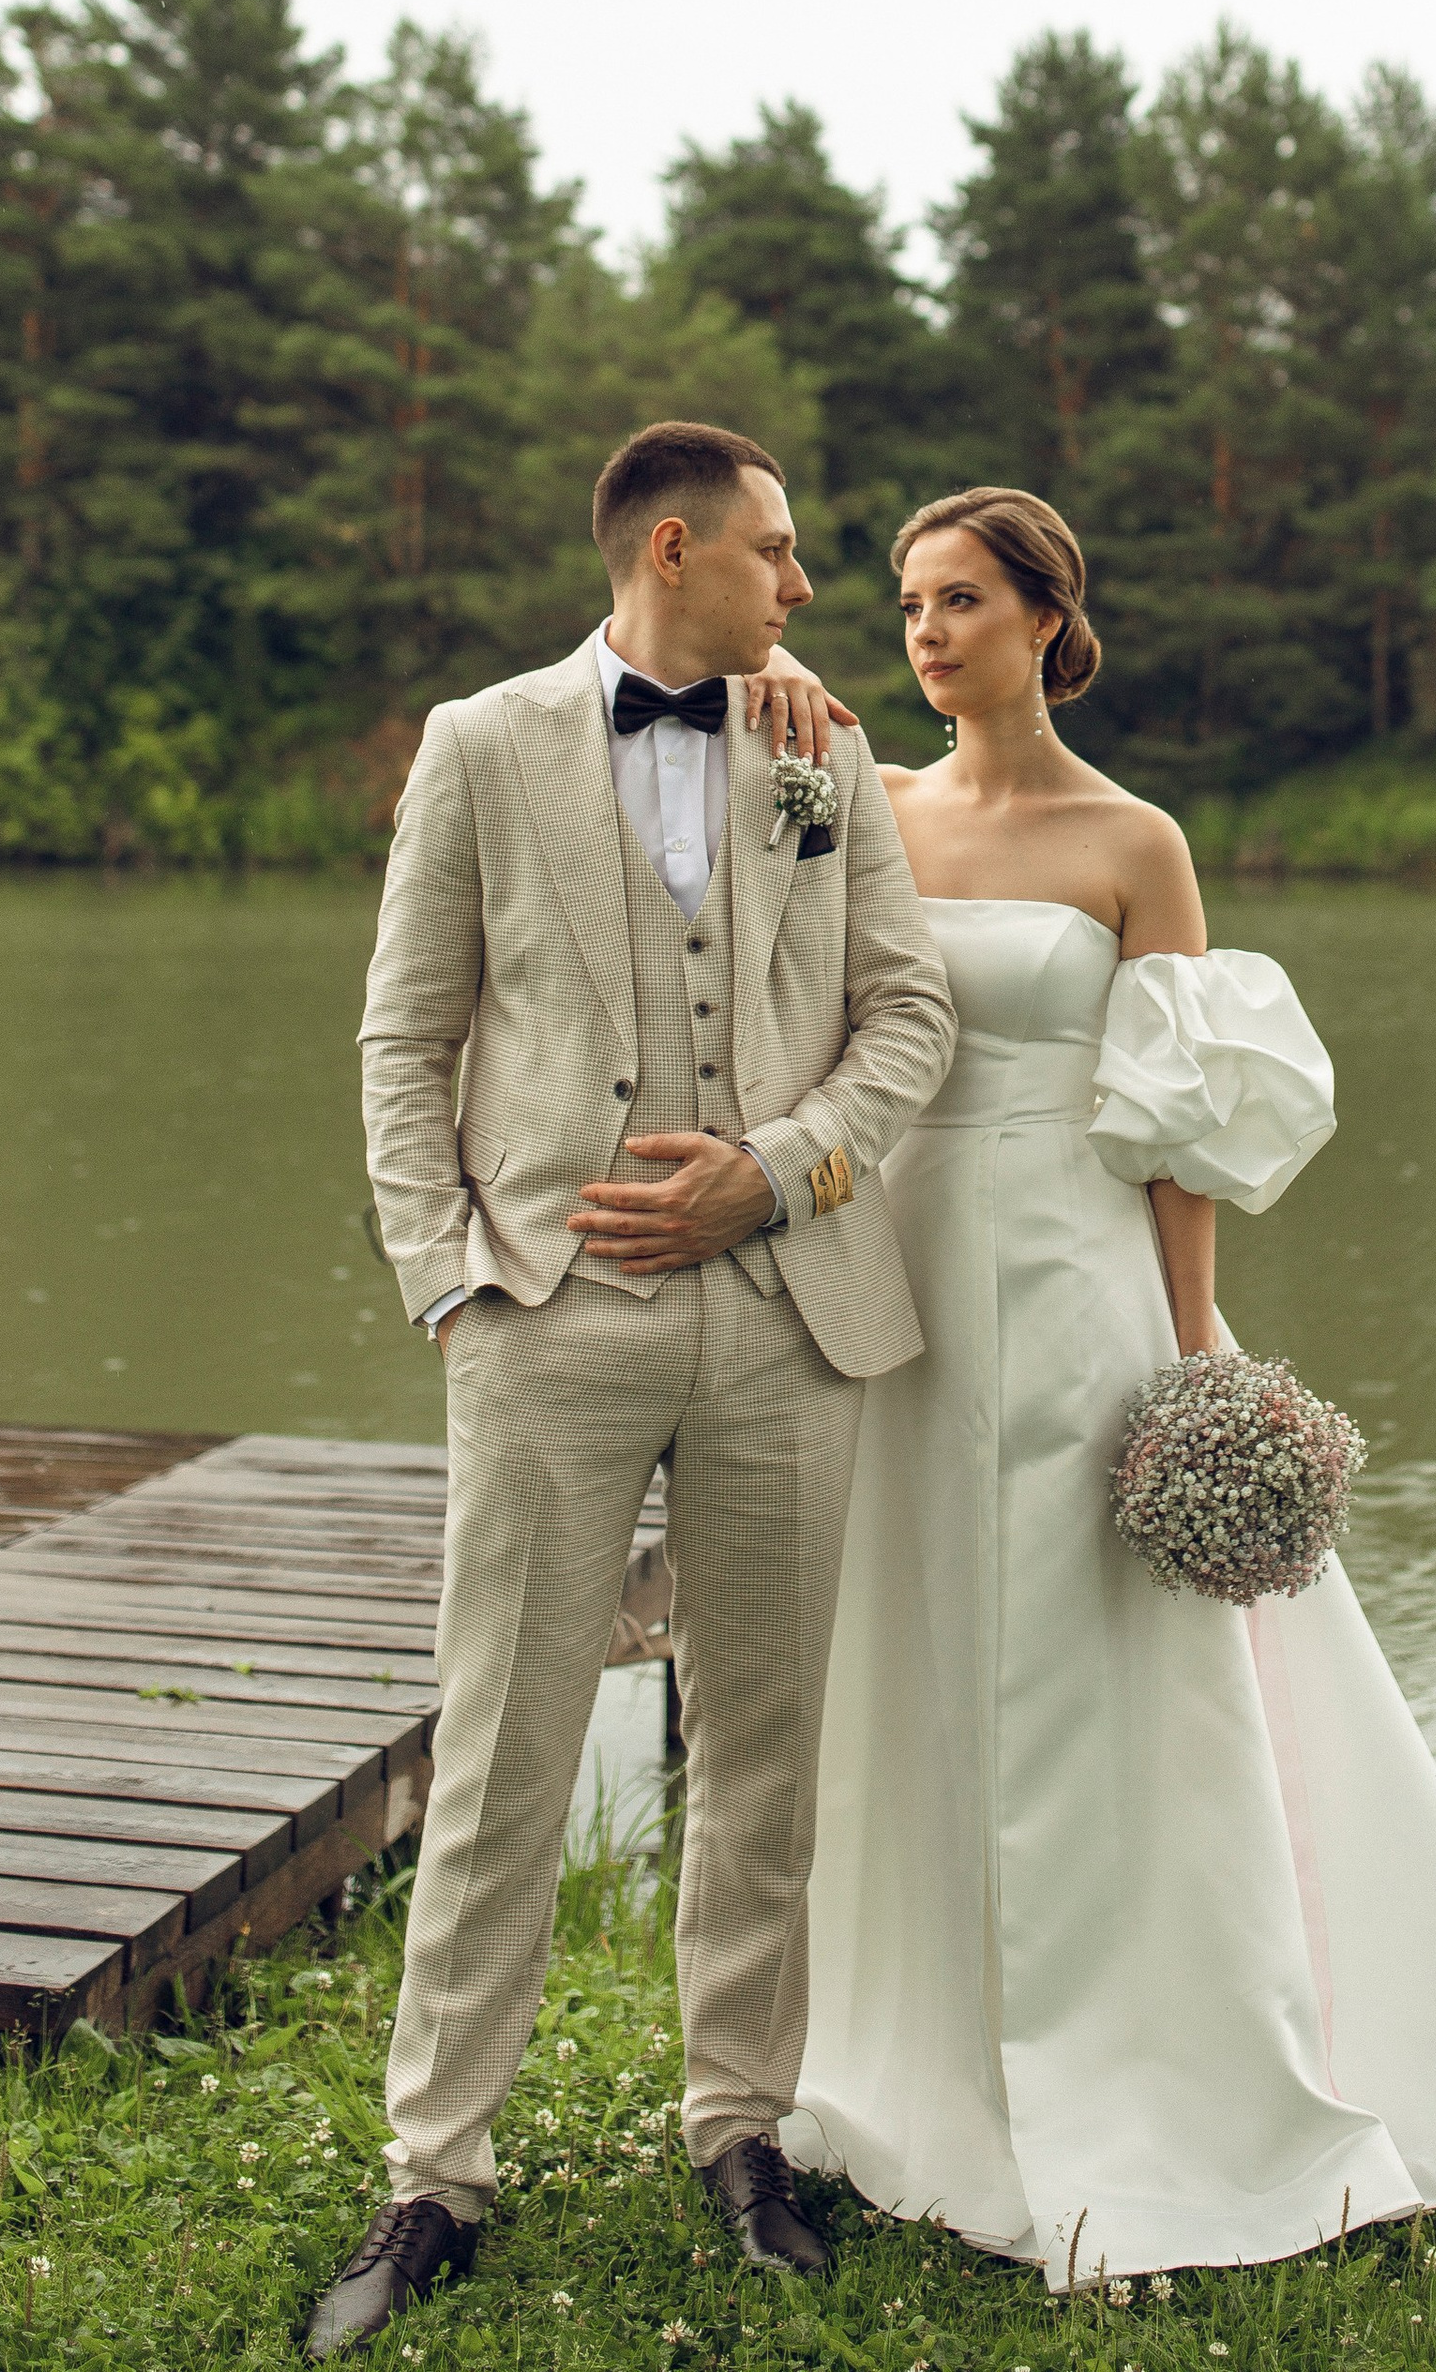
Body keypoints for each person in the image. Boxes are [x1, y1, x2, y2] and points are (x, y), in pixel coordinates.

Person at [783, 485, 1436, 2286]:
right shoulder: (872, 810)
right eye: (910, 604)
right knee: (908, 1654)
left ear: (1042, 618)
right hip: (900, 1278)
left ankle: (1166, 2071)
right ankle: (911, 2059)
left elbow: (1178, 1123)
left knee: (1111, 1681)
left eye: (961, 600)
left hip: (1081, 1281)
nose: (925, 631)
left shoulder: (1133, 839)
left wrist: (1189, 1356)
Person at [305, 421, 957, 2358]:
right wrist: (454, 1290)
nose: (807, 583)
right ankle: (436, 2170)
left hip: (785, 1313)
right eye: (777, 548)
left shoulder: (816, 747)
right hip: (548, 1317)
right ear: (670, 550)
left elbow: (904, 1011)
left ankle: (736, 2129)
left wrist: (783, 1163)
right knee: (501, 1747)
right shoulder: (480, 743)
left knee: (759, 1753)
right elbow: (402, 1036)